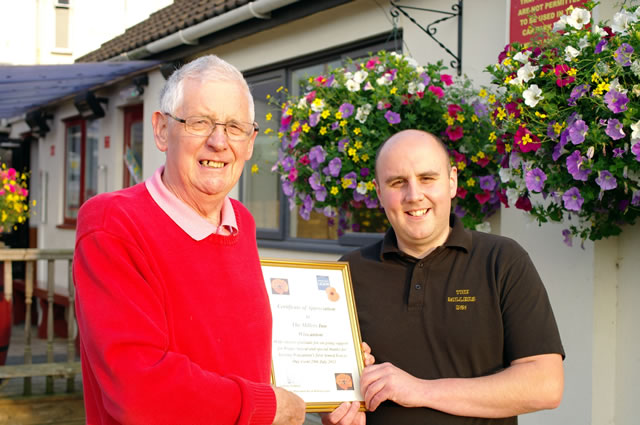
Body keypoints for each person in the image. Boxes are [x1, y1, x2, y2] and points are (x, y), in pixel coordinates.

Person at [73, 55, 305, 425]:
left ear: (250, 143)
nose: (219, 142)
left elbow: (248, 356)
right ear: (163, 130)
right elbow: (138, 391)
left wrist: (339, 374)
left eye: (234, 127)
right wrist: (266, 407)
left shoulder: (240, 223)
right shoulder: (113, 224)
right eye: (200, 122)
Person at [324, 129, 565, 425]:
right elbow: (332, 392)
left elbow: (545, 385)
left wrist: (419, 390)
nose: (414, 195)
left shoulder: (502, 260)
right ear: (378, 192)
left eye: (427, 178)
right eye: (397, 182)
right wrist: (338, 408)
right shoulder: (348, 272)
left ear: (452, 181)